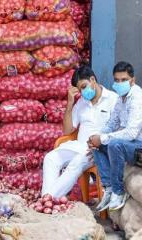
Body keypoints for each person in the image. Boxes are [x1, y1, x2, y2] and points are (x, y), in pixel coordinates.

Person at [42, 66, 118, 198]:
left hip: (98, 149)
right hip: (79, 146)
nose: (83, 92)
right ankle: (47, 199)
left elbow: (120, 131)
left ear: (93, 80)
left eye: (84, 86)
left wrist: (101, 146)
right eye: (80, 90)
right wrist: (70, 103)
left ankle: (48, 199)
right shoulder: (81, 102)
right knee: (50, 158)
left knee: (76, 163)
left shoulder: (113, 100)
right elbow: (67, 131)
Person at [89, 62, 142, 212]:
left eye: (123, 80)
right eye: (117, 80)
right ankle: (110, 188)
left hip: (139, 146)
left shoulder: (137, 98)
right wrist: (97, 137)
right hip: (129, 144)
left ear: (133, 80)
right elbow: (112, 123)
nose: (119, 83)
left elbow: (131, 132)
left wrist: (104, 138)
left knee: (113, 144)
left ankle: (119, 192)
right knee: (97, 145)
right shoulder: (121, 98)